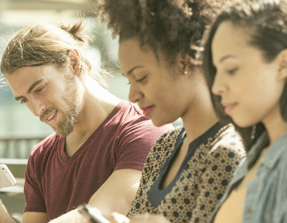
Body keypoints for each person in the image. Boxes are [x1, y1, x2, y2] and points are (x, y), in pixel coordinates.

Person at [0, 21, 173, 223]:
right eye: (24, 100)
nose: (36, 109)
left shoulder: (145, 132)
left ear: (73, 62)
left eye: (39, 89)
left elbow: (94, 216)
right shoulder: (41, 156)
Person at [97, 0, 246, 222]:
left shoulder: (225, 153)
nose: (133, 96)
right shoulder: (163, 146)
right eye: (129, 82)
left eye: (141, 78)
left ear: (184, 61)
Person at [202, 0, 287, 222]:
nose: (216, 87)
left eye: (231, 69)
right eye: (216, 70)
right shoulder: (258, 154)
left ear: (283, 64)